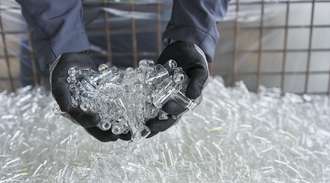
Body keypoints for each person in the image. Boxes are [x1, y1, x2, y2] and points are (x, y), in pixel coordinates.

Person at [15, 0, 229, 142]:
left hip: (171, 19)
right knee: (45, 125)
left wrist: (194, 32)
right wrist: (61, 44)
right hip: (55, 24)